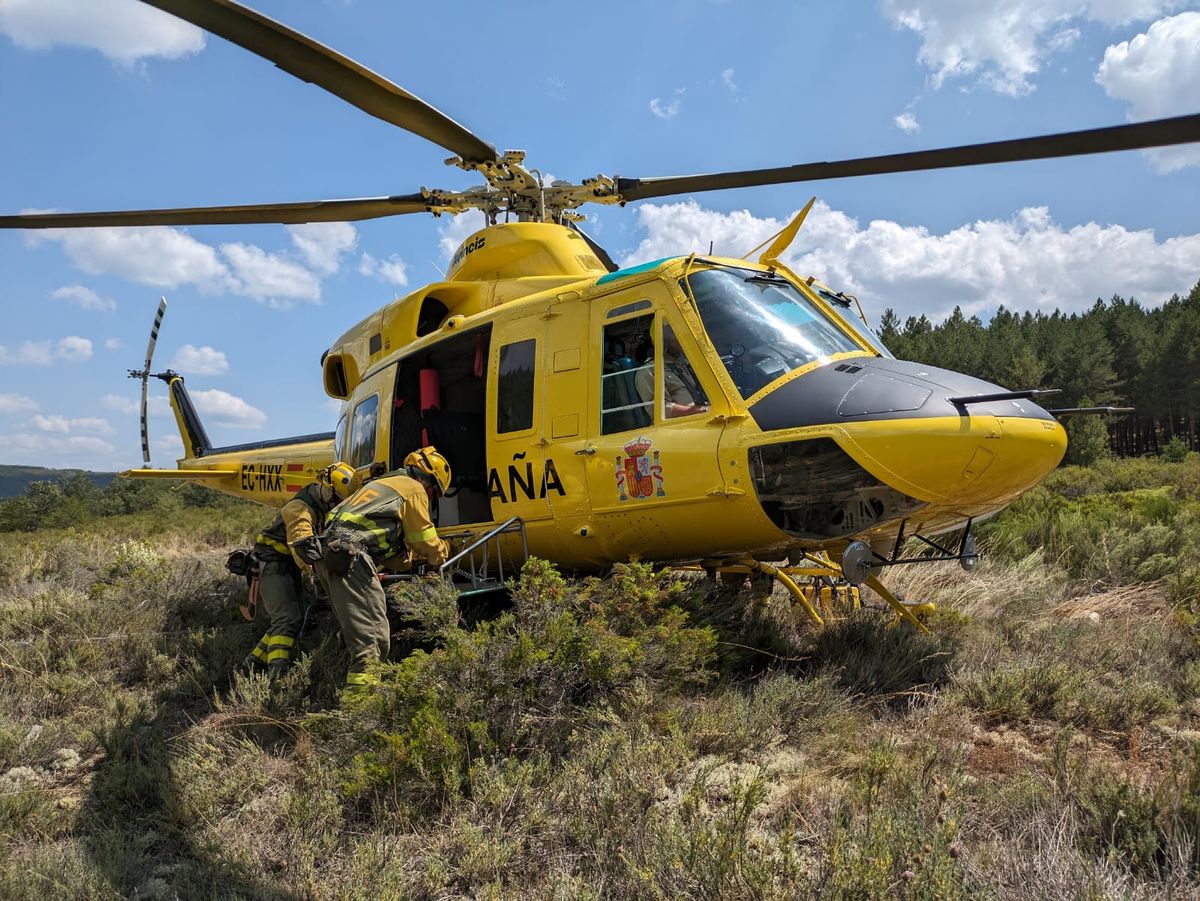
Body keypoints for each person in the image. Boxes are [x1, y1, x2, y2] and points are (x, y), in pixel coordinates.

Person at [315, 446, 452, 689]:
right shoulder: (413, 489)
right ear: (427, 479)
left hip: (330, 554)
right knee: (372, 640)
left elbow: (379, 542)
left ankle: (343, 692)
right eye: (434, 492)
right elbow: (425, 541)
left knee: (363, 633)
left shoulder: (382, 485)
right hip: (351, 557)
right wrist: (445, 550)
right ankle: (360, 709)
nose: (430, 497)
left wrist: (406, 559)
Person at [244, 461, 357, 676]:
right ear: (326, 487)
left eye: (341, 502)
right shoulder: (299, 510)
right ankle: (277, 672)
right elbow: (302, 547)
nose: (336, 505)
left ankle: (253, 662)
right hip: (270, 565)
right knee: (287, 619)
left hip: (282, 565)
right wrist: (319, 576)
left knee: (291, 618)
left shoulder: (319, 505)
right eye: (335, 499)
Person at [636, 326, 709, 419]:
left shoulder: (685, 365)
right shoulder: (649, 370)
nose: (681, 337)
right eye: (675, 333)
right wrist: (701, 410)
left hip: (704, 417)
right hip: (684, 426)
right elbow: (658, 410)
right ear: (663, 339)